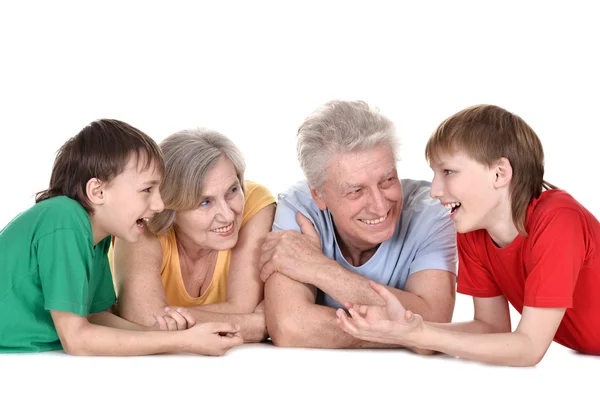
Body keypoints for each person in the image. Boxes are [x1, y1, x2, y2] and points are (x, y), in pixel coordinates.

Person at [336, 104, 600, 365]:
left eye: (448, 171)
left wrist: (424, 335)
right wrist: (407, 330)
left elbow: (529, 347)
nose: (434, 190)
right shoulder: (474, 232)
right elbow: (491, 328)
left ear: (500, 173)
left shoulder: (558, 219)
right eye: (435, 174)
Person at [0, 119, 243, 355]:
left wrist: (155, 333)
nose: (159, 204)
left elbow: (97, 316)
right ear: (98, 191)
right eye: (147, 190)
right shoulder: (64, 219)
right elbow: (77, 339)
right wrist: (181, 341)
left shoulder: (98, 237)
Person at [260, 100, 457, 349]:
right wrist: (404, 333)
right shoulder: (300, 207)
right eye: (356, 191)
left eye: (387, 180)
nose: (379, 205)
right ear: (319, 195)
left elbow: (435, 328)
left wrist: (318, 268)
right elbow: (291, 327)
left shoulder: (432, 212)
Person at [112, 128, 275, 342]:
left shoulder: (254, 203)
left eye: (232, 191)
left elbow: (242, 305)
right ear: (169, 207)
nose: (227, 215)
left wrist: (167, 315)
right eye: (204, 202)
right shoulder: (143, 222)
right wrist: (259, 325)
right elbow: (144, 317)